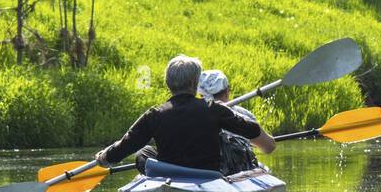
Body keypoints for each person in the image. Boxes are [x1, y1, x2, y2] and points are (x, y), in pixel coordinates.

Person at [95, 55, 275, 174]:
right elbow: (253, 131)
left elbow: (125, 145)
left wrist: (104, 157)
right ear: (195, 82)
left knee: (143, 153)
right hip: (208, 175)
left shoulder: (154, 115)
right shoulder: (214, 109)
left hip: (171, 174)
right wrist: (268, 145)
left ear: (168, 83)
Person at [198, 68, 272, 175]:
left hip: (205, 170)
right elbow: (269, 147)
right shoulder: (243, 114)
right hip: (236, 172)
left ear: (200, 95)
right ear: (227, 91)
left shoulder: (192, 113)